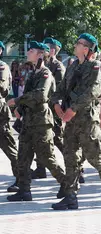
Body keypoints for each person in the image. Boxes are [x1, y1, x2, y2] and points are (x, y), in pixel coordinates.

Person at [51, 33, 101, 210]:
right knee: (70, 158)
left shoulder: (95, 67)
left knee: (95, 158)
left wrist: (72, 109)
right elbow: (61, 89)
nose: (75, 46)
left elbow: (92, 92)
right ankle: (71, 196)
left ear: (86, 48)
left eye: (78, 43)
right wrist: (56, 103)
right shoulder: (73, 66)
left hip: (86, 121)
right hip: (71, 120)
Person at [6, 41, 66, 202]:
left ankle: (67, 185)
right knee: (23, 157)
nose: (28, 52)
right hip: (29, 121)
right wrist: (20, 109)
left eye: (31, 50)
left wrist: (18, 101)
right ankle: (24, 190)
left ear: (40, 54)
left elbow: (40, 96)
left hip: (41, 121)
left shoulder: (45, 73)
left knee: (47, 157)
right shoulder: (33, 73)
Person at [30, 37, 67, 180]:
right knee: (40, 139)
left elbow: (61, 90)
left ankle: (78, 168)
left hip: (53, 108)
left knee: (58, 139)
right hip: (42, 108)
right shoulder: (40, 65)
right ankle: (40, 168)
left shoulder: (58, 67)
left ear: (52, 50)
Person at [0, 41, 19, 193]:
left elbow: (2, 88)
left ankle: (21, 179)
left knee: (10, 148)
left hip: (0, 114)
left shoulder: (2, 67)